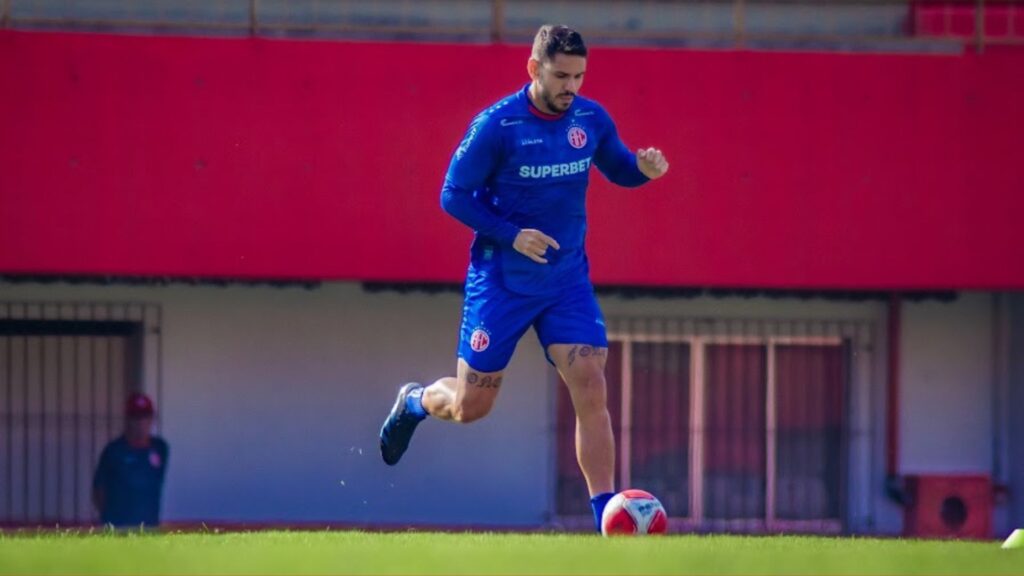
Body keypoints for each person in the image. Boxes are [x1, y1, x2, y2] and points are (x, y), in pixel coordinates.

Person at [379, 24, 669, 532]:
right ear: (534, 68)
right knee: (472, 407)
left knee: (590, 383)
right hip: (502, 282)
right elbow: (453, 195)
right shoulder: (497, 126)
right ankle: (415, 401)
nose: (571, 87)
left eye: (579, 76)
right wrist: (512, 235)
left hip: (566, 282)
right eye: (561, 75)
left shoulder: (591, 118)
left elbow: (618, 167)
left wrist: (642, 169)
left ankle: (606, 514)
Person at [92, 392, 170, 528]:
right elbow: (98, 490)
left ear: (152, 419)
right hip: (118, 528)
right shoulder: (113, 451)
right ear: (127, 420)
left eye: (146, 417)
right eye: (136, 417)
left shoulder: (160, 448)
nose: (141, 423)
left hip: (149, 528)